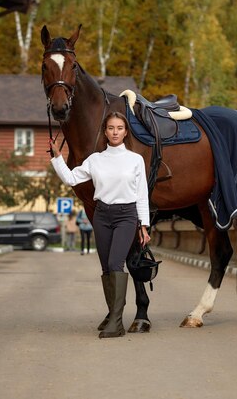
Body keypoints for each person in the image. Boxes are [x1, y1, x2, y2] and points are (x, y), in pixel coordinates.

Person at [49, 111, 151, 339]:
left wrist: (143, 225)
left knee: (116, 263)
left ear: (125, 132)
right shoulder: (95, 159)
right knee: (106, 268)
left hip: (127, 216)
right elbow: (71, 179)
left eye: (120, 128)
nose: (115, 132)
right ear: (105, 132)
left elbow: (141, 194)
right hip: (102, 215)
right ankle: (113, 315)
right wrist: (57, 157)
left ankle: (116, 323)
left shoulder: (135, 160)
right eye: (111, 128)